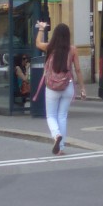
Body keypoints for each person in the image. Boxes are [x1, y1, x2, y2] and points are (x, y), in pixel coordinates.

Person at [33, 21, 86, 155]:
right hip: (67, 86)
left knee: (51, 115)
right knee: (62, 116)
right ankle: (61, 148)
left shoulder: (50, 47)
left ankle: (56, 136)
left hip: (52, 87)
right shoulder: (72, 49)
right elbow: (78, 70)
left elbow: (38, 43)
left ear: (55, 35)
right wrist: (82, 88)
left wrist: (41, 28)